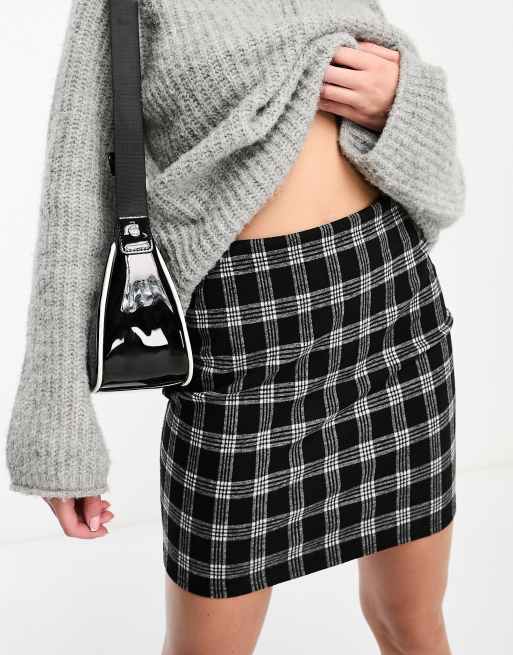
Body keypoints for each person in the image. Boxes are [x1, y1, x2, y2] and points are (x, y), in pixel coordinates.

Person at [5, 1, 465, 653]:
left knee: (411, 623)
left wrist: (399, 100)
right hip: (242, 335)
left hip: (392, 307)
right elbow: (74, 198)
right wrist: (59, 430)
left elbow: (439, 180)